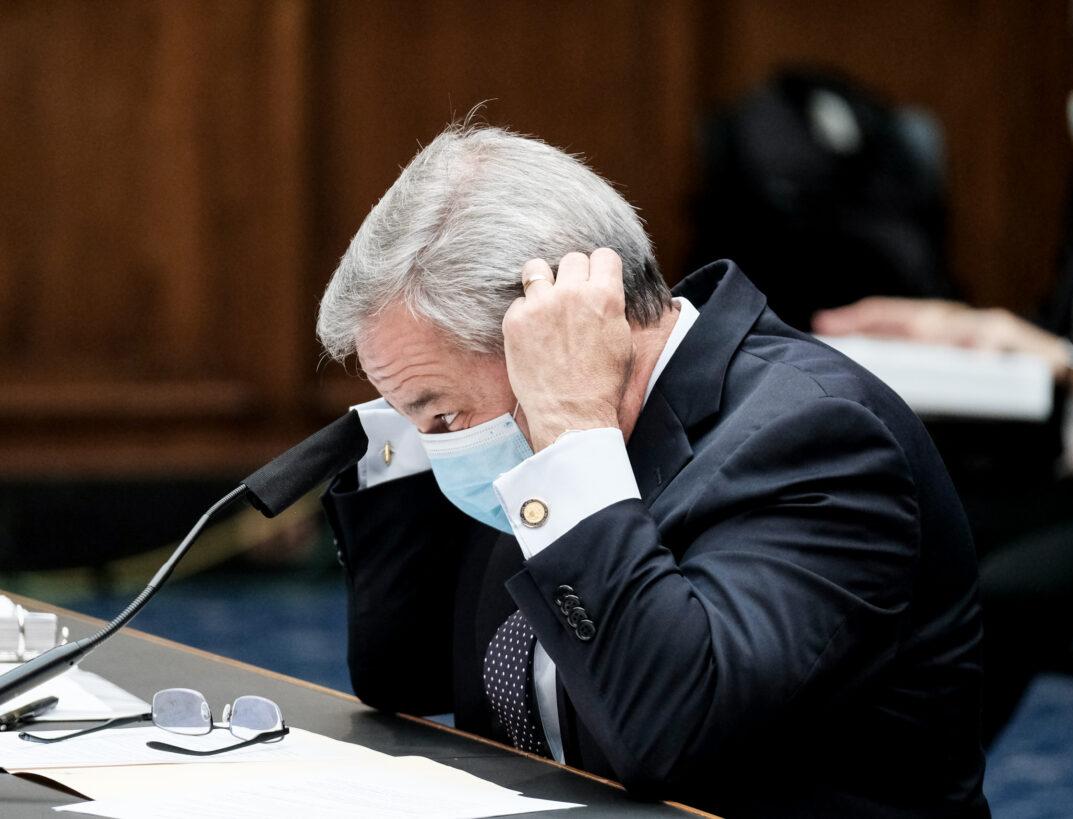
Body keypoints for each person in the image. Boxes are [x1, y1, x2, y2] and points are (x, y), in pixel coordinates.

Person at [316, 123, 989, 816]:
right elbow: (406, 676)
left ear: (549, 330)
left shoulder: (817, 437)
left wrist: (572, 436)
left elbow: (671, 733)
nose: (440, 445)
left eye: (443, 417)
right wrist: (411, 415)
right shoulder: (534, 430)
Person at [814, 0, 1073, 743]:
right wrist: (955, 329)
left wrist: (1069, 364)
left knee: (998, 591)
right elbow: (1062, 333)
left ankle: (935, 781)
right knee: (901, 528)